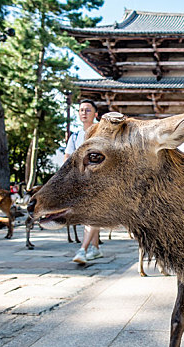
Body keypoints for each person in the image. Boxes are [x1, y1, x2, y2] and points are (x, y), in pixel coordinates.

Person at [64, 99, 103, 264]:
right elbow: (68, 157)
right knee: (92, 215)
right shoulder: (75, 136)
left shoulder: (101, 133)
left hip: (98, 180)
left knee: (91, 215)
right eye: (81, 110)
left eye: (87, 110)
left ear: (95, 114)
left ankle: (83, 249)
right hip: (80, 180)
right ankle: (95, 248)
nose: (83, 113)